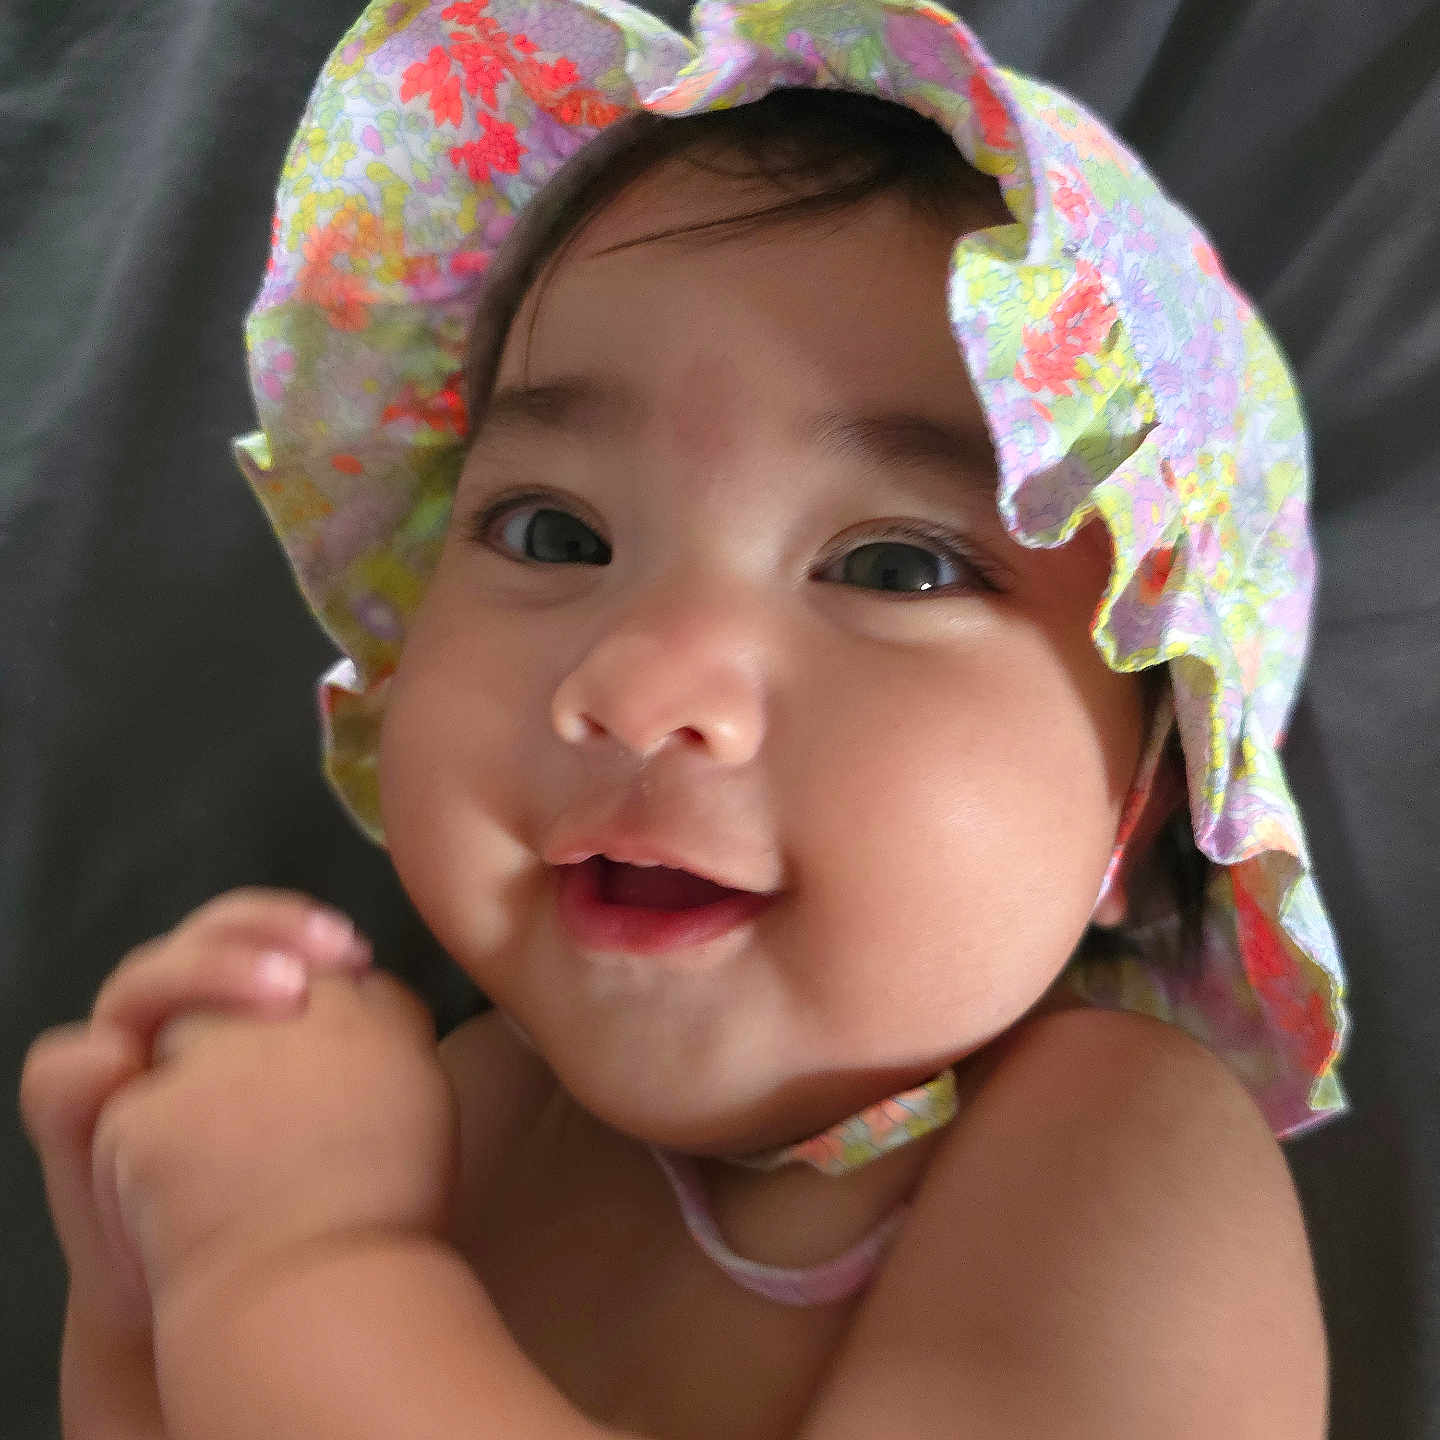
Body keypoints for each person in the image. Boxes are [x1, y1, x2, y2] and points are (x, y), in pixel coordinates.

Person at [21, 0, 1351, 1436]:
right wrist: (145, 1305)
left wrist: (290, 1268)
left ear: (1147, 802)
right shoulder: (451, 1110)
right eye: (553, 534)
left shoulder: (1113, 1150)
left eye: (894, 569)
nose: (642, 688)